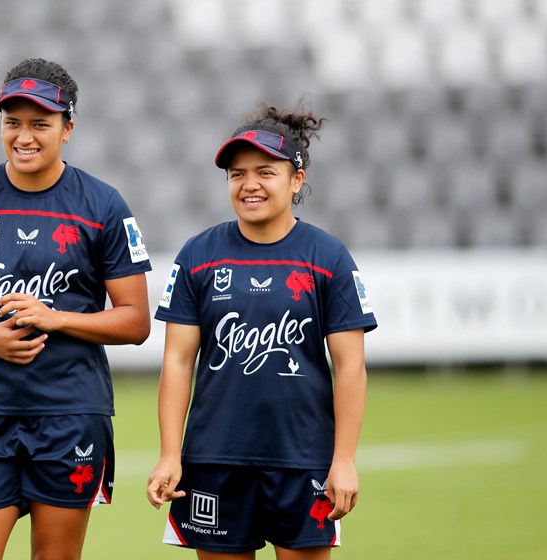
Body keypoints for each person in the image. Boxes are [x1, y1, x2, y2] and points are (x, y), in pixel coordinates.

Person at [0, 57, 151, 560]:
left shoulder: (102, 205)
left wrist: (55, 317)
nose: (24, 136)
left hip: (70, 414)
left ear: (68, 128)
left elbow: (135, 321)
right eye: (12, 122)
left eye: (40, 123)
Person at [146, 104, 377, 559]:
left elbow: (350, 366)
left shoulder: (327, 257)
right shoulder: (199, 254)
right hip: (214, 461)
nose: (249, 184)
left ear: (296, 179)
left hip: (302, 460)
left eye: (264, 172)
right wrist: (170, 454)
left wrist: (344, 460)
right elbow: (176, 361)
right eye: (237, 174)